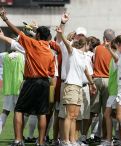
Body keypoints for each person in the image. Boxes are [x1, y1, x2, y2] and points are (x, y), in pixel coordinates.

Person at [0, 8, 56, 146]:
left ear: (37, 35)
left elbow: (16, 32)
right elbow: (51, 72)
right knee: (42, 113)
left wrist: (5, 19)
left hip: (31, 81)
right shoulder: (50, 51)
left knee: (19, 110)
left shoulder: (32, 44)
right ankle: (41, 142)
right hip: (44, 83)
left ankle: (19, 140)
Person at [55, 20, 97, 146]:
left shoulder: (84, 56)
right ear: (87, 44)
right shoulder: (73, 51)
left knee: (74, 115)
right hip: (71, 86)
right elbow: (66, 43)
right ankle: (65, 140)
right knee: (69, 115)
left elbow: (86, 72)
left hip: (78, 87)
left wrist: (92, 84)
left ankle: (73, 140)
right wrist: (61, 32)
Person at [88, 28, 115, 142]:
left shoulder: (97, 48)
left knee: (93, 111)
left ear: (104, 38)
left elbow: (92, 63)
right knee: (107, 112)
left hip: (97, 79)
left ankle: (86, 135)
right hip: (109, 81)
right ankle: (105, 137)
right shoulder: (114, 50)